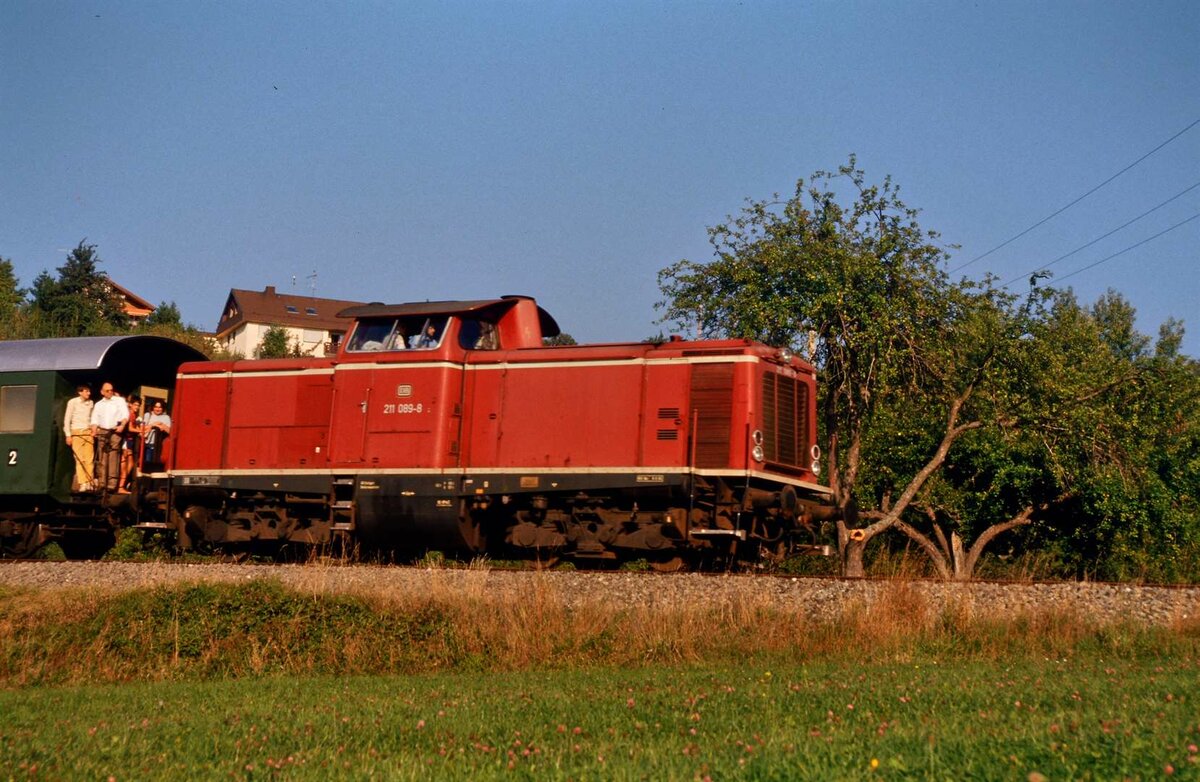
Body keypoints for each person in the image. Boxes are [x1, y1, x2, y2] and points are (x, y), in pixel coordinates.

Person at [90, 382, 129, 493]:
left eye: (111, 390)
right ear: (102, 392)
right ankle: (102, 483)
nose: (110, 392)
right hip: (103, 431)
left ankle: (112, 484)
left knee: (113, 457)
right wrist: (93, 430)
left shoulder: (119, 401)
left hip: (115, 431)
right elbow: (94, 419)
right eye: (107, 390)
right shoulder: (98, 404)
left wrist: (122, 425)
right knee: (102, 457)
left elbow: (125, 415)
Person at [62, 385, 94, 491]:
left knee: (89, 459)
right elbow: (67, 419)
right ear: (80, 392)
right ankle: (83, 483)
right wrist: (68, 435)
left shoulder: (91, 403)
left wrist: (93, 430)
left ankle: (90, 482)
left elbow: (91, 418)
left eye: (89, 391)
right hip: (76, 433)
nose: (88, 393)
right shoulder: (73, 402)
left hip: (88, 433)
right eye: (86, 391)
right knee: (80, 459)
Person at [119, 394, 143, 493]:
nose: (137, 407)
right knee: (124, 465)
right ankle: (121, 486)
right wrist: (141, 431)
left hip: (129, 441)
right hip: (126, 441)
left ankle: (122, 485)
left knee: (130, 463)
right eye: (135, 405)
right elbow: (129, 428)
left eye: (138, 405)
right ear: (130, 405)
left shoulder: (134, 415)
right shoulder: (129, 414)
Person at [142, 400, 172, 469]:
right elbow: (143, 428)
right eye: (156, 407)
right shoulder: (148, 415)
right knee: (147, 464)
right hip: (148, 444)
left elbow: (170, 431)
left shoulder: (166, 417)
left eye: (160, 407)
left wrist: (162, 425)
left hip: (160, 446)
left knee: (158, 466)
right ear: (152, 407)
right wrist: (154, 424)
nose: (157, 409)